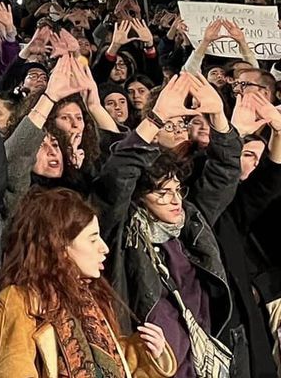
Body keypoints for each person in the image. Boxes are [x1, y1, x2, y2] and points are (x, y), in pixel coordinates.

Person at [96, 73, 242, 378]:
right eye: (162, 193)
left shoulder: (190, 220)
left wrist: (218, 117)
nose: (174, 200)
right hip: (152, 363)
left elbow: (224, 172)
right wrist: (157, 117)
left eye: (177, 190)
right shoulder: (122, 228)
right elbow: (117, 179)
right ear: (140, 198)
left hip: (199, 358)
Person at [0, 188, 174, 377]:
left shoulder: (89, 302)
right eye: (93, 239)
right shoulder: (18, 305)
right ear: (59, 247)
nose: (104, 248)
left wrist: (148, 357)